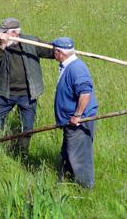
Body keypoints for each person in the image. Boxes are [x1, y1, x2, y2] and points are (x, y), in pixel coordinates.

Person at [0, 17, 53, 156]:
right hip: (6, 94)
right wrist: (2, 46)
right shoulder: (1, 45)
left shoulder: (32, 42)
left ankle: (22, 154)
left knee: (27, 128)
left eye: (4, 33)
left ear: (15, 33)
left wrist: (63, 49)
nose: (1, 35)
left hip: (28, 95)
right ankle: (5, 140)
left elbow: (51, 51)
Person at [52, 37, 98, 188]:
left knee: (80, 157)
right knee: (68, 153)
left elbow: (85, 92)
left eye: (54, 51)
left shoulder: (76, 68)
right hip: (69, 121)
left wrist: (77, 115)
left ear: (59, 52)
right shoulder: (68, 65)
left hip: (79, 122)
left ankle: (85, 188)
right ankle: (66, 182)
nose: (53, 54)